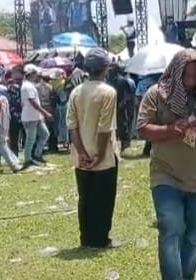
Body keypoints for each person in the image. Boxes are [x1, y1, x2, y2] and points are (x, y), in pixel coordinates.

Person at [138, 49, 196, 280]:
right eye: (186, 75)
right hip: (166, 175)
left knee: (195, 234)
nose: (190, 81)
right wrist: (172, 129)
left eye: (195, 76)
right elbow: (143, 128)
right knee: (171, 228)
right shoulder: (156, 94)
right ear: (176, 73)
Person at [66, 48, 119, 248]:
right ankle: (101, 238)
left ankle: (86, 237)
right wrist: (98, 154)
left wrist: (82, 152)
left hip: (81, 155)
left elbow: (72, 126)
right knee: (104, 198)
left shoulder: (76, 91)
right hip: (103, 155)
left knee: (85, 197)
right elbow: (105, 128)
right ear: (106, 68)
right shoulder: (108, 92)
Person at [21, 64, 52, 167]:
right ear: (32, 74)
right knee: (30, 139)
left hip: (35, 116)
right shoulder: (27, 86)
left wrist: (41, 115)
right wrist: (45, 113)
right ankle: (28, 159)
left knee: (45, 134)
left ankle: (37, 155)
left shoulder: (30, 85)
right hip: (30, 117)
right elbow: (33, 103)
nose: (37, 76)